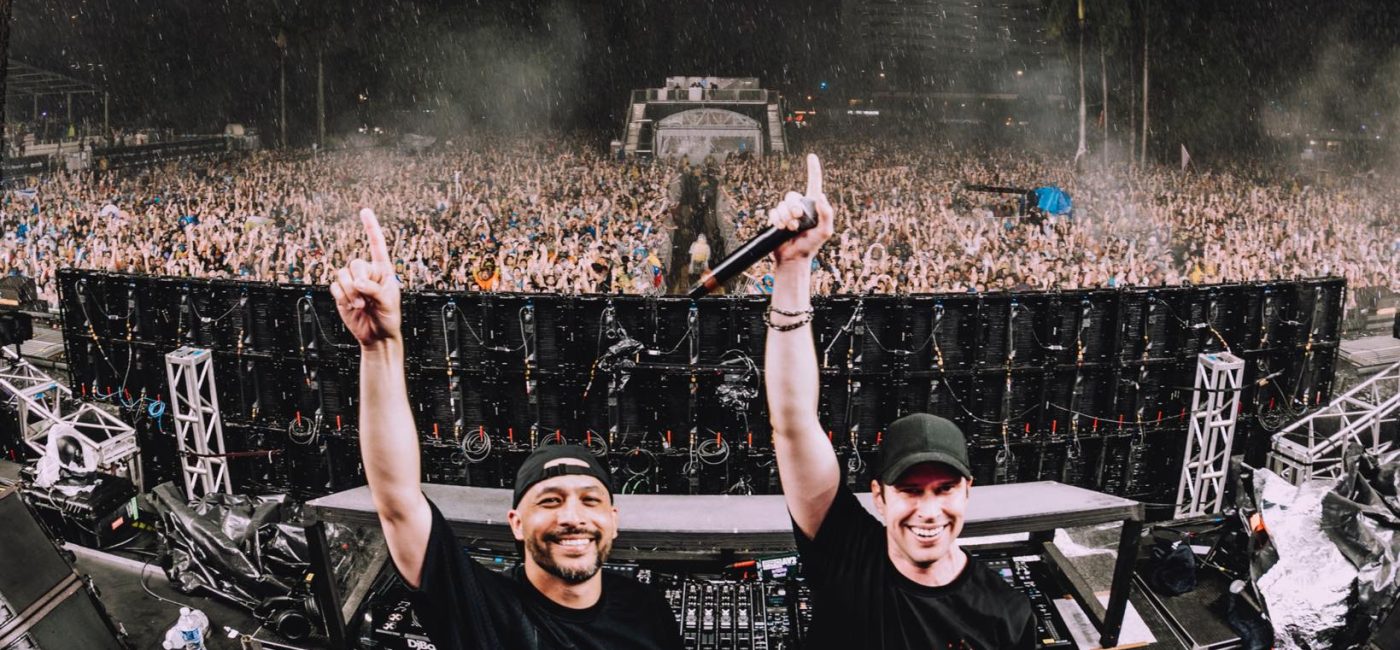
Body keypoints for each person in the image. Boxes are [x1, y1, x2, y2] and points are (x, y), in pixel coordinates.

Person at [331, 208, 682, 650]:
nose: (572, 517)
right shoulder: (484, 609)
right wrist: (381, 345)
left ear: (613, 521)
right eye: (550, 500)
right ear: (516, 523)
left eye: (590, 500)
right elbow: (398, 502)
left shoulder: (646, 608)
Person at [762, 155, 1037, 649]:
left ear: (967, 492)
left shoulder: (1006, 614)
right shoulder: (847, 551)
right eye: (910, 490)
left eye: (943, 489)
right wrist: (794, 268)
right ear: (879, 497)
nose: (929, 510)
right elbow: (793, 423)